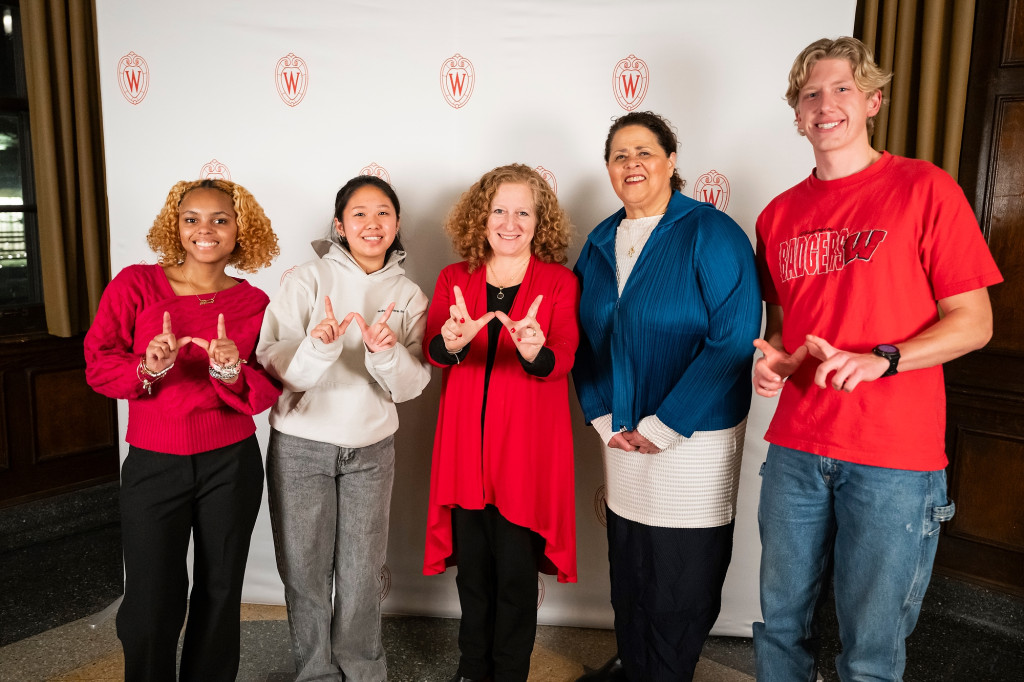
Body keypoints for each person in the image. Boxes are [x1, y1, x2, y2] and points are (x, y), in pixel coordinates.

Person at [751, 37, 1003, 681]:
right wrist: (774, 362)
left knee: (871, 647)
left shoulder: (925, 189)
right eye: (810, 93)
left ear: (872, 101)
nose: (825, 103)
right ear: (797, 111)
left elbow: (974, 324)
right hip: (798, 450)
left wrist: (883, 359)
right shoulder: (777, 216)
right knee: (779, 627)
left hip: (894, 456)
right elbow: (785, 330)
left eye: (841, 89)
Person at [572, 111, 761, 682]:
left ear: (672, 160)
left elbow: (733, 340)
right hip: (622, 432)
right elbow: (579, 336)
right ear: (608, 169)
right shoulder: (600, 240)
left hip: (694, 436)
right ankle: (635, 667)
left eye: (644, 152)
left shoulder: (711, 230)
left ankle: (667, 673)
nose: (632, 164)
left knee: (682, 573)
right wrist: (603, 415)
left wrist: (665, 425)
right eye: (620, 156)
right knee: (630, 561)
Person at [83, 178, 281, 681]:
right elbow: (98, 363)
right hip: (154, 463)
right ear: (176, 225)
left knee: (220, 591)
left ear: (241, 229)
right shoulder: (135, 285)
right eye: (191, 218)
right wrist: (149, 368)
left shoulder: (254, 302)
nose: (205, 230)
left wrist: (231, 372)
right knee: (150, 597)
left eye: (220, 219)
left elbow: (268, 385)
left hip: (231, 464)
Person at [256, 175, 430, 682]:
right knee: (305, 572)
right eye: (359, 213)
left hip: (371, 451)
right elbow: (275, 363)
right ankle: (315, 672)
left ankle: (362, 669)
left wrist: (386, 353)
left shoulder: (409, 294)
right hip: (302, 448)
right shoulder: (306, 280)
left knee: (360, 575)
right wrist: (318, 347)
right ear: (339, 225)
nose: (371, 224)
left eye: (383, 213)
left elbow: (412, 384)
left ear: (396, 225)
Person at [422, 163, 579, 682]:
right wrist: (452, 342)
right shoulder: (454, 278)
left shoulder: (558, 282)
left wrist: (534, 351)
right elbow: (434, 352)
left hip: (526, 452)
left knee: (515, 573)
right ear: (480, 217)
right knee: (474, 574)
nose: (509, 222)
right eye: (498, 210)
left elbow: (563, 359)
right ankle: (472, 669)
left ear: (541, 222)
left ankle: (510, 672)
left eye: (523, 212)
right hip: (466, 446)